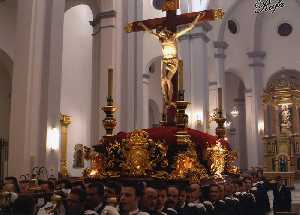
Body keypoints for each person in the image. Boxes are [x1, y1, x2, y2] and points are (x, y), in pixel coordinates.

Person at [138, 13, 203, 107]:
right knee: (162, 80)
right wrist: (142, 25)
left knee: (168, 79)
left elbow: (189, 27)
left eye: (161, 33)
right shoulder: (161, 39)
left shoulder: (173, 37)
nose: (160, 35)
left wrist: (198, 17)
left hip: (173, 61)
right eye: (159, 34)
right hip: (165, 60)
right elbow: (150, 32)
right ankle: (166, 100)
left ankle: (170, 100)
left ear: (165, 31)